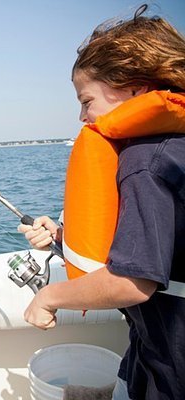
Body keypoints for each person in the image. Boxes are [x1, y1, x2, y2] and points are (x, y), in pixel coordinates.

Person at [18, 5, 185, 400]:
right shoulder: (173, 150)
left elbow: (133, 281)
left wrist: (48, 297)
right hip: (151, 348)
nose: (81, 116)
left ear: (134, 89)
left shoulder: (144, 163)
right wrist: (63, 237)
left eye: (86, 100)